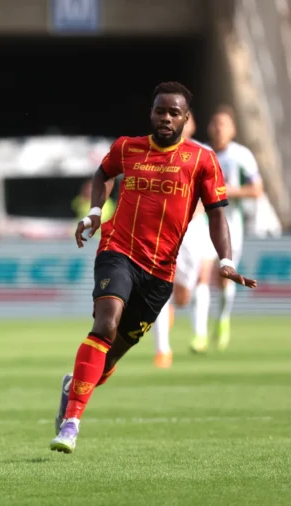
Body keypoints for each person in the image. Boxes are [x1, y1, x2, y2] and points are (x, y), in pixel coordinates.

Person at [50, 82, 257, 454]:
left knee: (109, 357)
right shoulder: (128, 147)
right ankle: (71, 423)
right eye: (160, 110)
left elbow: (217, 215)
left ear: (186, 118)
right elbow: (102, 174)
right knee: (106, 323)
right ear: (151, 112)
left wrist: (225, 260)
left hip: (161, 272)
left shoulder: (201, 160)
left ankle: (72, 387)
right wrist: (96, 212)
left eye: (174, 112)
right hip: (118, 251)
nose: (166, 117)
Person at [193, 106, 263, 353]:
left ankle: (222, 319)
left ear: (233, 130)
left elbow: (256, 190)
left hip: (231, 225)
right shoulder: (202, 152)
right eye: (214, 123)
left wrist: (228, 191)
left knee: (224, 278)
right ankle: (199, 335)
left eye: (223, 124)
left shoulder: (241, 155)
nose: (217, 128)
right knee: (202, 274)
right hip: (205, 223)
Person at [151, 111, 217, 368]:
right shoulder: (155, 152)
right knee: (159, 286)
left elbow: (211, 192)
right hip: (162, 228)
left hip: (192, 230)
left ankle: (188, 323)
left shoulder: (203, 153)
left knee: (183, 297)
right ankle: (162, 350)